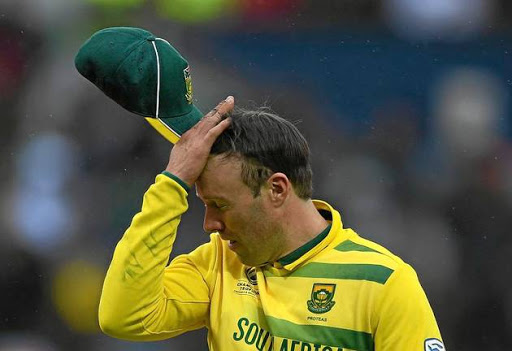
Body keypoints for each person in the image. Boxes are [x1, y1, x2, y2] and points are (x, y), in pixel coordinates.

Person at [98, 96, 445, 351]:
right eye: (204, 205)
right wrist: (172, 183)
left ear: (277, 189)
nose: (210, 225)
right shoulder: (219, 264)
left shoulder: (383, 282)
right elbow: (124, 316)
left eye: (220, 205)